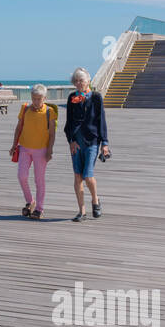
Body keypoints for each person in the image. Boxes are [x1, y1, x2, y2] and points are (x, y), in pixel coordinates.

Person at [63, 67, 109, 221]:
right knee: (77, 177)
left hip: (92, 141)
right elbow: (68, 122)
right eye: (75, 81)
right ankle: (81, 211)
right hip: (76, 142)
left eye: (81, 80)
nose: (78, 83)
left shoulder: (96, 97)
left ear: (88, 80)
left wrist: (105, 144)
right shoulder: (71, 98)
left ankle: (95, 200)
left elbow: (101, 120)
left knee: (88, 176)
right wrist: (71, 140)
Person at [10, 84, 56, 219]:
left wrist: (50, 150)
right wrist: (14, 145)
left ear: (44, 98)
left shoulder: (49, 112)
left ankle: (39, 208)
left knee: (39, 179)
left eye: (39, 99)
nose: (36, 101)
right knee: (22, 176)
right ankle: (30, 201)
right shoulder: (25, 109)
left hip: (41, 150)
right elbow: (18, 128)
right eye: (34, 98)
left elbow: (52, 134)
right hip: (24, 148)